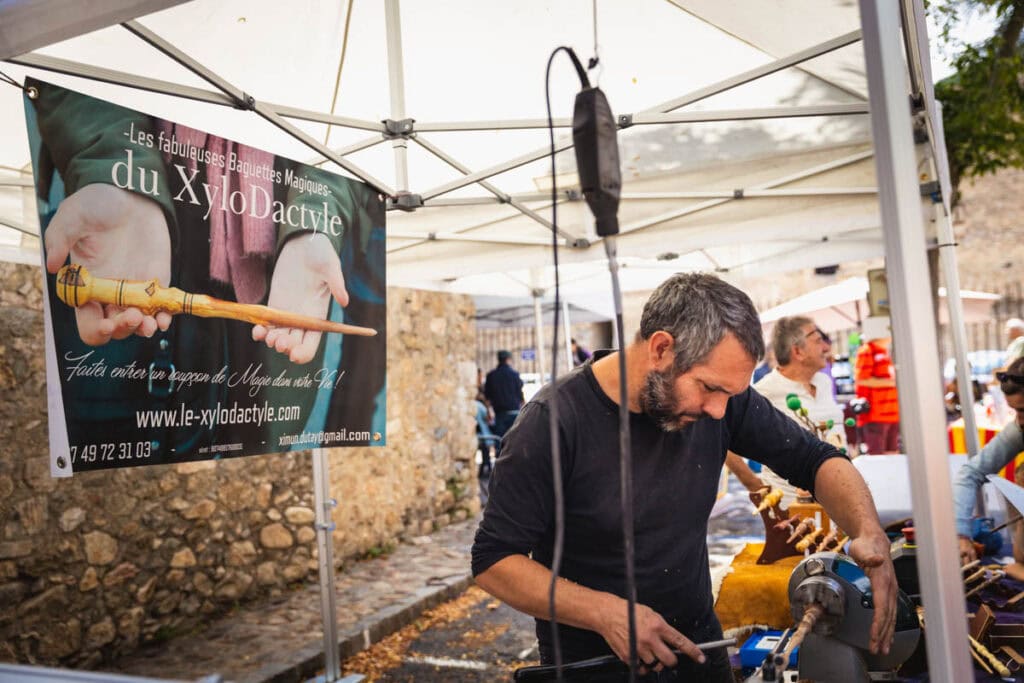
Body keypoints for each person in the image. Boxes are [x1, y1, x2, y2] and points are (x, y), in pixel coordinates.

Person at [472, 273, 897, 681]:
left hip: (699, 648)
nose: (717, 411)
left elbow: (817, 458)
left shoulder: (725, 400)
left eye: (728, 394)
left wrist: (868, 530)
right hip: (594, 663)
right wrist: (606, 612)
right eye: (708, 388)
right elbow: (494, 559)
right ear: (660, 349)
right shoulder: (553, 423)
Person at [725, 316, 848, 507]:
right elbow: (724, 437)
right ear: (797, 351)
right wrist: (755, 486)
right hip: (792, 509)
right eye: (817, 341)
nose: (826, 348)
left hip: (838, 499)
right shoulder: (765, 391)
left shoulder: (823, 382)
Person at [953, 357, 1024, 578]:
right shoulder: (1019, 428)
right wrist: (961, 534)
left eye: (1023, 410)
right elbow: (970, 473)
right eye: (1015, 412)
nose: (1020, 420)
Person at [854, 316, 900, 454]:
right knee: (877, 455)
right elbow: (861, 378)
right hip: (875, 414)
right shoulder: (867, 350)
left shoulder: (885, 352)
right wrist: (891, 382)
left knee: (892, 454)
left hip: (891, 413)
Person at [484, 350, 525, 437]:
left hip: (500, 414)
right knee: (515, 441)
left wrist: (488, 412)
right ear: (508, 359)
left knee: (501, 442)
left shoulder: (491, 376)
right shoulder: (514, 375)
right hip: (514, 413)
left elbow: (487, 397)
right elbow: (520, 395)